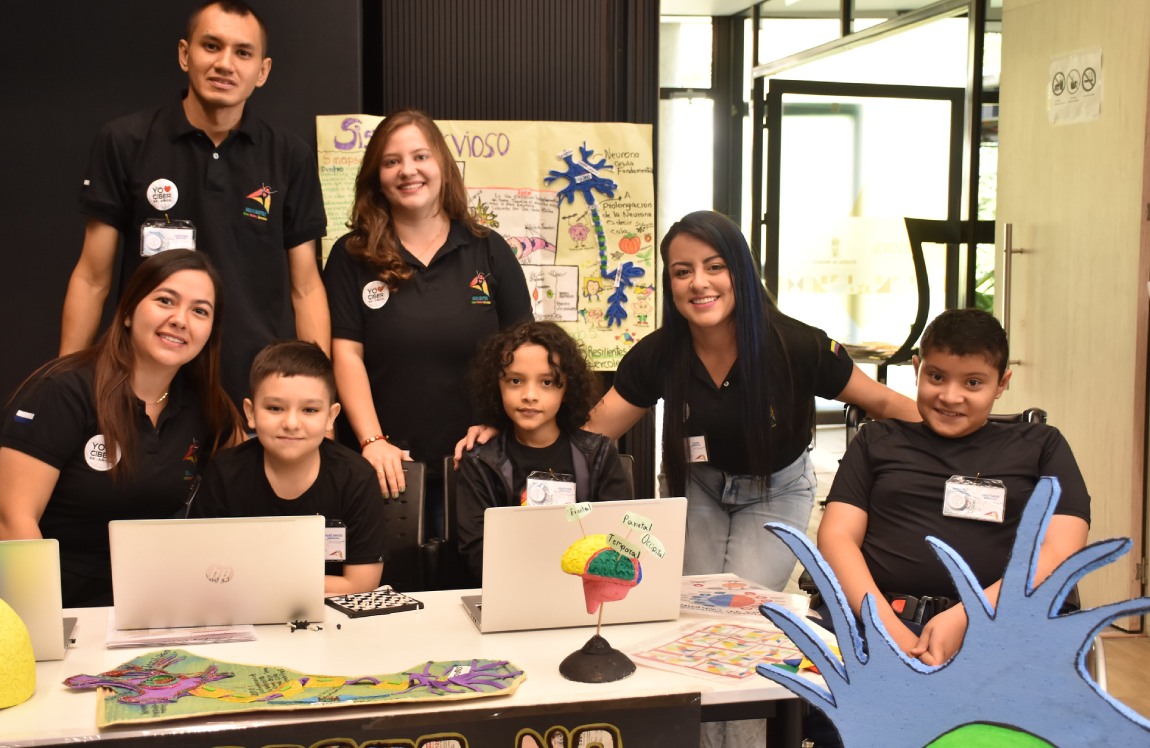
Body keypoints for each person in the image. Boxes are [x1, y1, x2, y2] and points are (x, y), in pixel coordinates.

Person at [564, 210, 917, 591]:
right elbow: (591, 435)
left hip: (777, 488)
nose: (699, 283)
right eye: (683, 272)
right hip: (695, 484)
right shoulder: (658, 354)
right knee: (690, 604)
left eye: (715, 267)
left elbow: (884, 403)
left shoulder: (798, 345)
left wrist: (968, 434)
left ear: (741, 272)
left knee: (739, 607)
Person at [60, 0, 330, 407]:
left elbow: (307, 287)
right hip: (146, 380)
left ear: (262, 71)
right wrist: (63, 387)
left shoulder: (289, 156)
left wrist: (314, 394)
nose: (225, 63)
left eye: (243, 52)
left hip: (253, 389)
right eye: (211, 46)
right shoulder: (125, 142)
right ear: (185, 54)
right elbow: (92, 278)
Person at [0, 250, 241, 608]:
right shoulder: (63, 390)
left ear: (211, 332)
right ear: (127, 312)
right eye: (164, 301)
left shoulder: (210, 407)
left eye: (200, 311)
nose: (180, 319)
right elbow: (12, 521)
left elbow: (242, 495)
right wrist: (46, 618)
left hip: (119, 591)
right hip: (9, 581)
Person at [817, 308, 1090, 666]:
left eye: (972, 383)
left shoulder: (1041, 446)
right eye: (936, 376)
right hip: (876, 620)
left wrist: (967, 617)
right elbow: (837, 537)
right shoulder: (876, 441)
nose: (950, 396)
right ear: (916, 369)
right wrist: (890, 632)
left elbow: (1060, 551)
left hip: (1004, 624)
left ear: (1001, 383)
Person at [324, 109, 532, 533]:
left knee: (473, 592)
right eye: (391, 161)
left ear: (442, 166)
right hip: (386, 470)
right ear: (376, 176)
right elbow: (345, 354)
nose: (408, 170)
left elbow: (525, 351)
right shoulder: (351, 256)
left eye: (420, 156)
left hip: (478, 468)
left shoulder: (488, 249)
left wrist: (498, 421)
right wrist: (372, 441)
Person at [189, 340, 386, 594]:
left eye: (310, 410)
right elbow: (201, 569)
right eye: (275, 408)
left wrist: (258, 581)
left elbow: (361, 583)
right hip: (244, 614)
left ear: (330, 417)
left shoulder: (356, 477)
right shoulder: (224, 474)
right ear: (250, 413)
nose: (291, 423)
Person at [457, 321, 633, 583]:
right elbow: (477, 554)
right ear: (497, 385)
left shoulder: (599, 454)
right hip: (509, 592)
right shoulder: (480, 462)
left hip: (586, 592)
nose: (530, 395)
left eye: (547, 382)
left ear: (567, 388)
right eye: (515, 380)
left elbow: (618, 542)